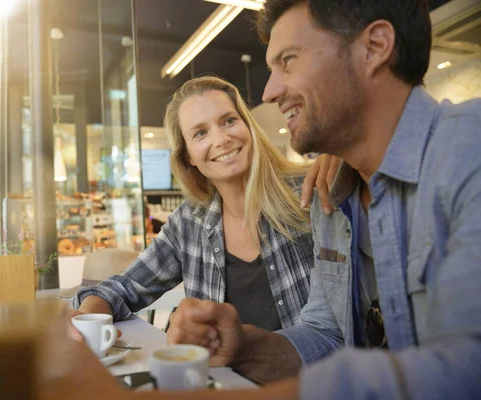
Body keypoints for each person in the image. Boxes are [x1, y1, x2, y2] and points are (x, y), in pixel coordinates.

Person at [162, 0, 481, 399]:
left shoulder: (469, 149)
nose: (270, 90)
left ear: (375, 46)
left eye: (288, 61)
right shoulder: (333, 198)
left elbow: (469, 368)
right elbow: (326, 336)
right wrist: (242, 345)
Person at [74, 75, 316, 332]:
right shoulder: (188, 222)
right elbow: (125, 288)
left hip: (309, 369)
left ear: (248, 126)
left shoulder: (307, 192)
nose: (221, 139)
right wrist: (83, 319)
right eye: (200, 133)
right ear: (187, 155)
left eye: (229, 121)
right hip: (220, 373)